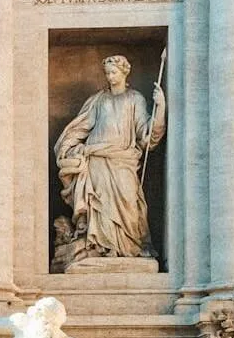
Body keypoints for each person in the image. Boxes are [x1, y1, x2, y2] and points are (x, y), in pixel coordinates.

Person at [54, 54, 166, 262]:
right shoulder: (98, 100)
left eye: (114, 72)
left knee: (129, 202)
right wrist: (69, 147)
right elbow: (81, 126)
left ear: (124, 72)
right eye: (107, 73)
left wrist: (160, 108)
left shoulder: (135, 99)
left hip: (123, 160)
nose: (110, 77)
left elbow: (147, 135)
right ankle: (101, 247)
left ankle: (129, 246)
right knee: (99, 205)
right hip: (97, 159)